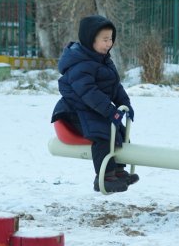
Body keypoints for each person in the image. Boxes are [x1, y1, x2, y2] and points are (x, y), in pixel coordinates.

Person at [51, 14, 139, 194]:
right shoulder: (80, 63)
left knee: (120, 131)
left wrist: (125, 105)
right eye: (105, 39)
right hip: (74, 111)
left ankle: (119, 171)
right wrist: (110, 111)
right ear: (91, 40)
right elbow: (89, 93)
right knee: (103, 134)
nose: (109, 43)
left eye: (111, 39)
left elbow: (115, 87)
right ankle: (104, 178)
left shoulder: (103, 60)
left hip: (93, 109)